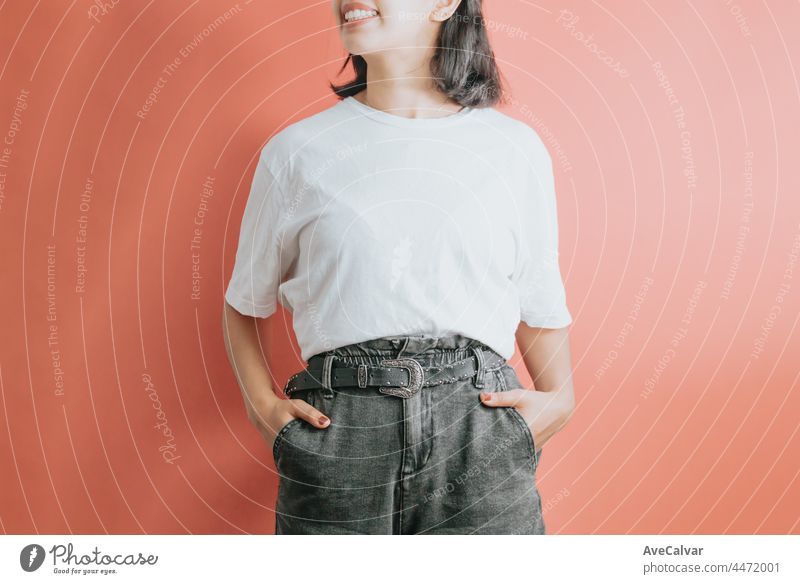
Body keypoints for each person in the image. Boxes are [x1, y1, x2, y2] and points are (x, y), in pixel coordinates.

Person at [222, 0, 575, 534]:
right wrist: (263, 411)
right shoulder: (297, 152)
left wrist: (560, 400)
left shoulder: (513, 149)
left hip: (476, 431)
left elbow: (538, 295)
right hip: (340, 434)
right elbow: (244, 303)